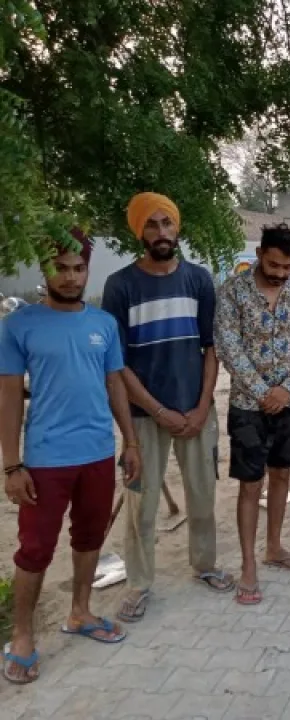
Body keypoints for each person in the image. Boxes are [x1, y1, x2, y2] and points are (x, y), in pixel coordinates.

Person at [0, 231, 141, 684]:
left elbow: (115, 383)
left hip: (97, 453)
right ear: (45, 269)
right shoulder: (19, 325)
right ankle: (22, 636)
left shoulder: (103, 324)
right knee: (35, 549)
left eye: (79, 268)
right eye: (60, 268)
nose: (70, 277)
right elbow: (9, 398)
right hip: (45, 459)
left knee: (89, 537)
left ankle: (80, 612)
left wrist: (130, 442)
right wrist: (11, 464)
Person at [102, 192, 233, 625]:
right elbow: (118, 364)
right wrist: (158, 412)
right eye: (152, 225)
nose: (161, 232)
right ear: (139, 232)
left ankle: (205, 564)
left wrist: (202, 406)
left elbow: (211, 349)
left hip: (196, 412)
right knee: (141, 504)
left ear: (177, 228)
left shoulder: (198, 280)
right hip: (144, 417)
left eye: (167, 223)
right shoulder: (121, 286)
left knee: (203, 495)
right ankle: (139, 584)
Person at [215, 224, 290, 605]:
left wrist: (287, 389)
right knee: (250, 484)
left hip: (289, 403)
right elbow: (228, 347)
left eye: (287, 267)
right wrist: (263, 393)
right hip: (248, 407)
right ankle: (248, 565)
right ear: (259, 254)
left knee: (282, 475)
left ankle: (274, 548)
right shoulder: (232, 292)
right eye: (274, 265)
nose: (280, 273)